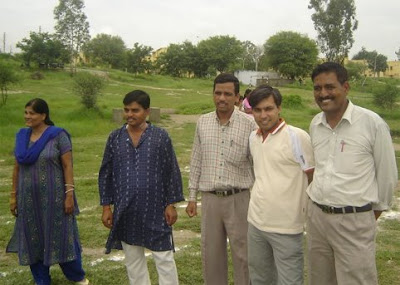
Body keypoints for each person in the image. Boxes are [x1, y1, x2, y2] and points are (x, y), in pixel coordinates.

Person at [307, 62, 398, 285]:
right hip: (317, 218)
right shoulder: (315, 124)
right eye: (318, 88)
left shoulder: (371, 123)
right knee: (320, 279)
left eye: (330, 87)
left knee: (357, 280)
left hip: (354, 220)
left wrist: (365, 215)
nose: (323, 94)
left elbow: (387, 177)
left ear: (345, 87)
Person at [98, 90, 184, 285]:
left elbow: (171, 170)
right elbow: (106, 173)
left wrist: (171, 204)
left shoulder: (160, 137)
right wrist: (106, 207)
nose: (130, 114)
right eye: (126, 110)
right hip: (126, 210)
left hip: (156, 210)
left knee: (164, 258)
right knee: (133, 261)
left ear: (146, 111)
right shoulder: (115, 137)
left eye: (135, 110)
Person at [7, 98, 89, 285]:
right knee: (32, 238)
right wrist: (14, 196)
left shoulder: (57, 135)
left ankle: (77, 276)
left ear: (43, 115)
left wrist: (69, 195)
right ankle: (41, 279)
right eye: (26, 112)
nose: (27, 117)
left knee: (62, 236)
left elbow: (68, 166)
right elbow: (17, 168)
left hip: (55, 197)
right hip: (28, 199)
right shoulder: (22, 136)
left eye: (32, 113)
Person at [186, 73, 258, 284]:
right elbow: (196, 158)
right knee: (211, 255)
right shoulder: (203, 122)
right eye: (218, 93)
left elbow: (257, 164)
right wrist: (192, 196)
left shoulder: (249, 124)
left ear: (237, 97)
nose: (222, 98)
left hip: (239, 199)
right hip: (210, 199)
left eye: (228, 94)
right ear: (213, 94)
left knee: (243, 254)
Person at [247, 85, 314, 285]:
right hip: (255, 223)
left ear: (279, 108)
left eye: (268, 109)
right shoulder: (253, 137)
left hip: (287, 227)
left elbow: (312, 177)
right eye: (257, 110)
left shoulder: (297, 137)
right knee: (259, 278)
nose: (263, 115)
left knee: (289, 281)